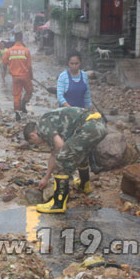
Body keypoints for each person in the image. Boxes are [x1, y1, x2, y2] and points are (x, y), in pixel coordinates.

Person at [23, 107, 107, 214]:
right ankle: (85, 186)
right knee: (81, 153)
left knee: (61, 159)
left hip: (90, 127)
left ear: (32, 135)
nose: (38, 144)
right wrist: (46, 178)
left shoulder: (42, 125)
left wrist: (62, 167)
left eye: (34, 142)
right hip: (99, 124)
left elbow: (59, 146)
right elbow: (54, 152)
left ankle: (58, 203)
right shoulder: (49, 120)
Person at [57, 51, 93, 193]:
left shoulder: (84, 76)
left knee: (82, 149)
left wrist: (89, 111)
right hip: (66, 118)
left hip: (82, 117)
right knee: (66, 147)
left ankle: (85, 182)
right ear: (68, 64)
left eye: (76, 63)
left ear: (80, 63)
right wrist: (71, 110)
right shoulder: (63, 76)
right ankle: (67, 178)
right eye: (71, 63)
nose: (74, 66)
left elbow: (87, 95)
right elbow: (60, 96)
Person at [2, 31, 33, 122]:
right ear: (22, 39)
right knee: (30, 91)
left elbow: (4, 62)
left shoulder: (9, 51)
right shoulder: (26, 50)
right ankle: (24, 103)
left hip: (15, 77)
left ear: (15, 39)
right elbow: (29, 66)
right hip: (25, 76)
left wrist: (11, 65)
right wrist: (31, 75)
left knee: (16, 95)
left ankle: (17, 113)